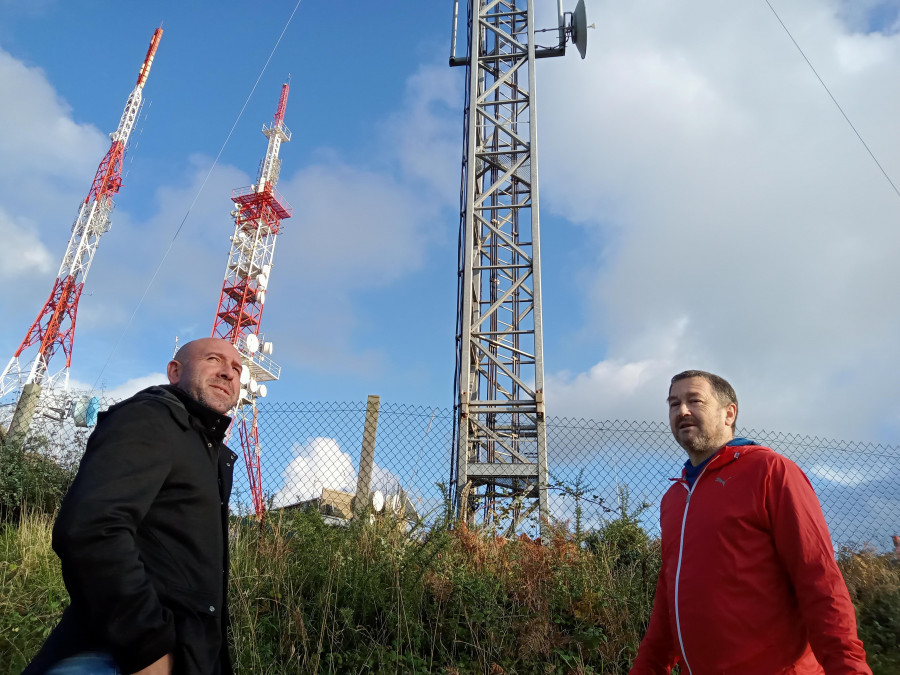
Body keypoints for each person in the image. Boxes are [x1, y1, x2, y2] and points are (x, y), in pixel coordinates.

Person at [24, 338, 242, 675]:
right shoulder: (151, 419)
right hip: (118, 659)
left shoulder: (204, 451)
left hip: (182, 655)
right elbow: (93, 529)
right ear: (175, 371)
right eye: (214, 359)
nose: (228, 373)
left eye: (237, 368)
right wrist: (146, 647)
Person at [630, 370, 870, 674]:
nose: (683, 411)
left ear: (729, 413)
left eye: (695, 400)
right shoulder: (673, 498)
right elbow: (668, 602)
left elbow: (819, 579)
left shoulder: (770, 471)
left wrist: (849, 668)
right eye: (674, 403)